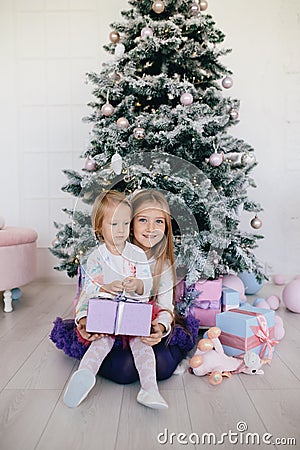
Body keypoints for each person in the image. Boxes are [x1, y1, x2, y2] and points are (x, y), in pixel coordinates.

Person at [63, 190, 169, 409]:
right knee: (101, 342)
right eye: (113, 224)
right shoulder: (97, 257)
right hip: (107, 314)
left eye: (125, 223)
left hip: (133, 313)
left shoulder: (137, 254)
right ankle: (83, 376)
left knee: (142, 344)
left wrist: (137, 285)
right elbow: (89, 290)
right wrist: (105, 288)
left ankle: (149, 390)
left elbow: (147, 285)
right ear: (99, 228)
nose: (121, 231)